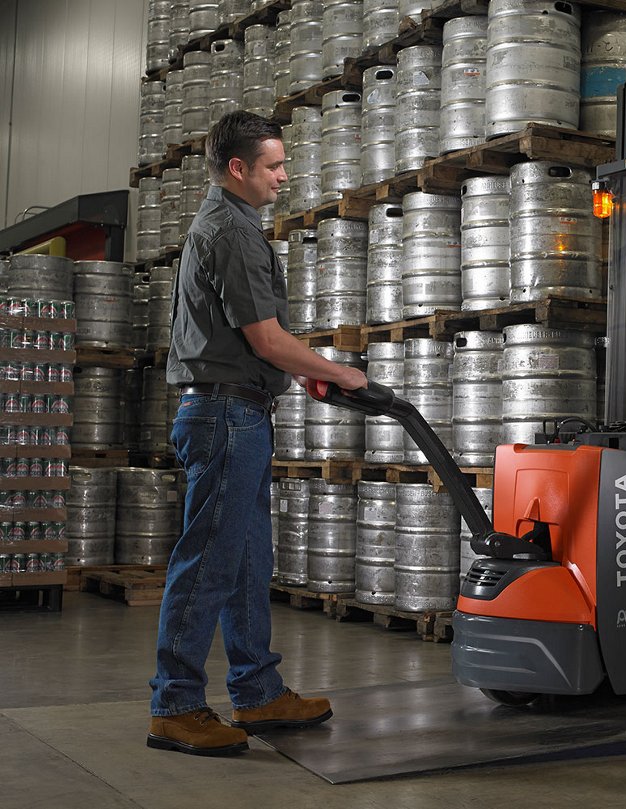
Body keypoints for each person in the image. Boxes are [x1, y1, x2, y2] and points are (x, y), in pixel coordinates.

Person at [147, 110, 367, 756]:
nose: (284, 175)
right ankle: (175, 704)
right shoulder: (232, 232)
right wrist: (337, 372)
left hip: (236, 408)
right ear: (238, 168)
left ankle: (257, 690)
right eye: (273, 165)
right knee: (208, 563)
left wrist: (298, 376)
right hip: (224, 416)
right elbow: (266, 338)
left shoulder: (234, 224)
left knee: (246, 562)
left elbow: (253, 344)